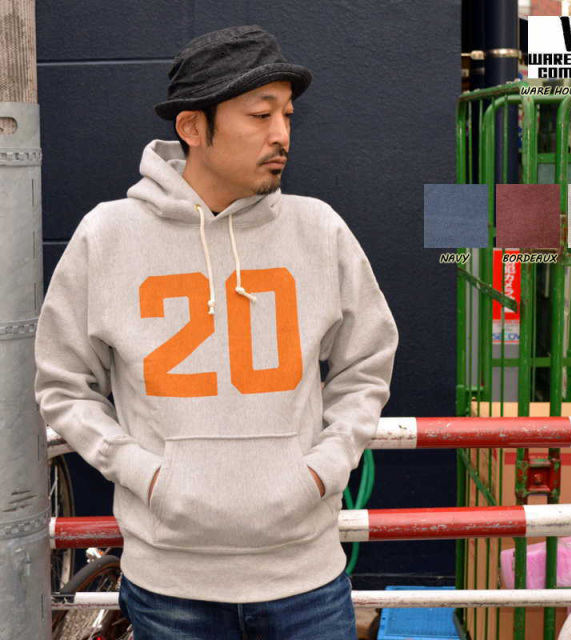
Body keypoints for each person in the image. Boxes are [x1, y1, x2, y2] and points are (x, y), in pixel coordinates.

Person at [34, 25, 399, 640]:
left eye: (287, 114)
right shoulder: (108, 236)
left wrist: (321, 469)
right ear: (192, 127)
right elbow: (64, 384)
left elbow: (367, 364)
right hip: (171, 587)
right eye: (260, 114)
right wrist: (149, 476)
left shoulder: (319, 230)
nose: (281, 134)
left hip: (306, 580)